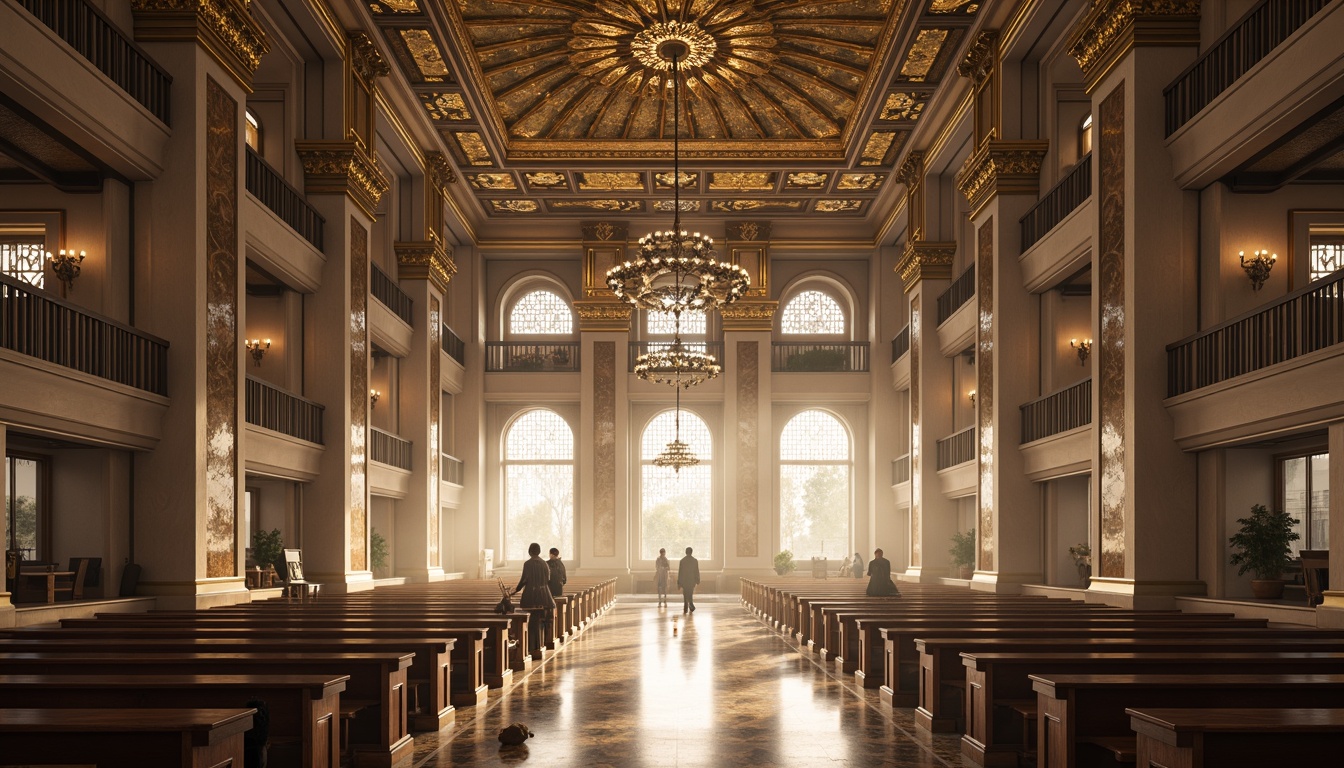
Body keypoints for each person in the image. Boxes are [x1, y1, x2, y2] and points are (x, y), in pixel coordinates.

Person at [513, 542, 555, 655]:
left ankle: (531, 646)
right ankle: (538, 645)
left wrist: (516, 590)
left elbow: (524, 579)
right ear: (539, 551)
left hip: (531, 595)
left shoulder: (528, 564)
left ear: (530, 551)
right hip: (544, 595)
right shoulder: (544, 564)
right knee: (539, 620)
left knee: (531, 620)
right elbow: (548, 579)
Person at [677, 546, 700, 614]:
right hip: (691, 580)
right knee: (690, 593)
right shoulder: (695, 561)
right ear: (691, 552)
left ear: (686, 552)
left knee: (685, 594)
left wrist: (679, 582)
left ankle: (686, 607)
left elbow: (680, 572)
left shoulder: (682, 561)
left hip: (684, 580)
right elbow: (696, 571)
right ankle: (691, 605)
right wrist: (697, 580)